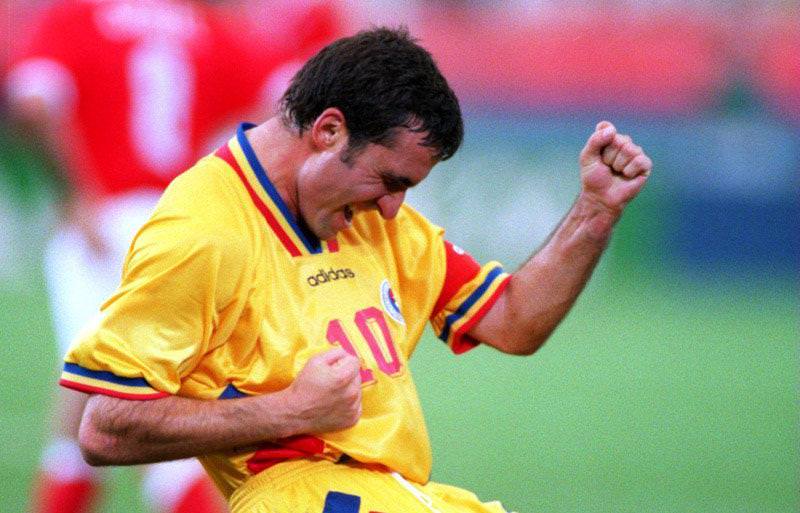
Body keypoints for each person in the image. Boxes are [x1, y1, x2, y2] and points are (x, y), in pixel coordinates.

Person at [59, 27, 652, 513]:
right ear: (329, 131)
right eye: (390, 181)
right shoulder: (201, 233)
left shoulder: (371, 217)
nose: (394, 208)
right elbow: (106, 427)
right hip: (302, 498)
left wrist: (595, 212)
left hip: (392, 494)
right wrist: (287, 411)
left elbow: (515, 321)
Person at [5, 1, 342, 512]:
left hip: (105, 223)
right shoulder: (207, 27)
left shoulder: (80, 15)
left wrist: (77, 195)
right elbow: (290, 100)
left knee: (134, 413)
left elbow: (32, 101)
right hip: (184, 223)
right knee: (98, 402)